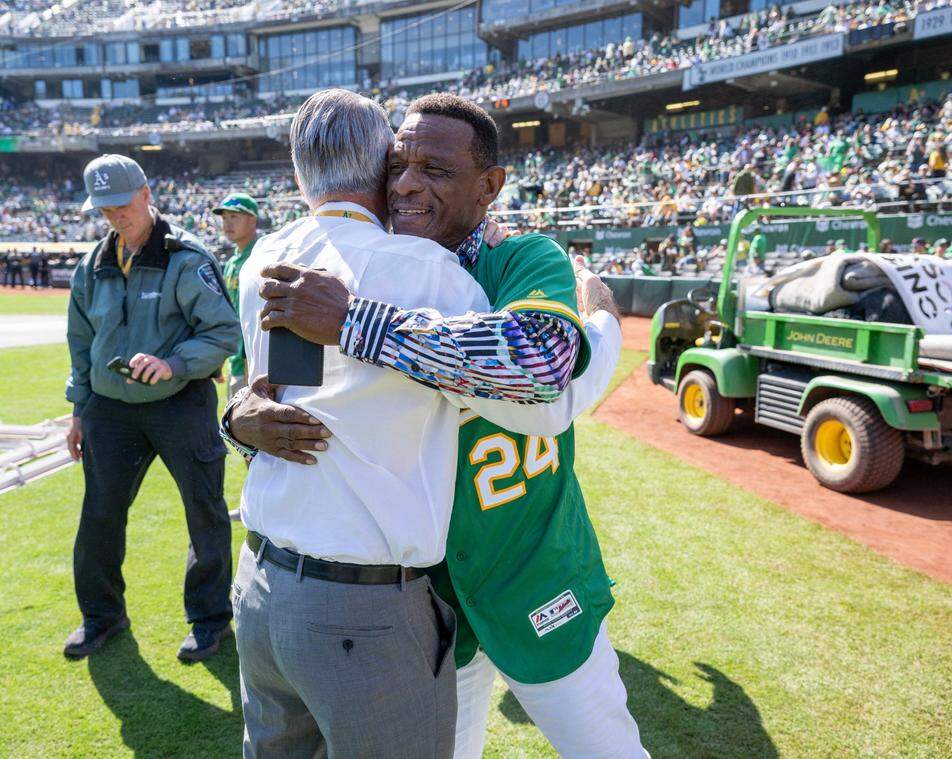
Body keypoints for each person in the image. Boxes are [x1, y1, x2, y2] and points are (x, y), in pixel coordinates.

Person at [230, 93, 645, 759]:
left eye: (437, 170)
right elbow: (283, 386)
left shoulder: (522, 258)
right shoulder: (369, 259)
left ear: (490, 187)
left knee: (604, 747)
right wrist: (237, 415)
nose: (407, 184)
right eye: (396, 165)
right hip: (427, 602)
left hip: (529, 572)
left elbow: (544, 380)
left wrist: (355, 322)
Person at [229, 89, 492, 759]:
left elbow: (282, 384)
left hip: (261, 585)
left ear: (297, 175)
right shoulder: (433, 272)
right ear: (383, 168)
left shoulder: (261, 257)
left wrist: (234, 413)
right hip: (365, 606)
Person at [62, 154, 241, 662]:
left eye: (122, 204)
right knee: (99, 514)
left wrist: (173, 362)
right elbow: (80, 340)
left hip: (179, 402)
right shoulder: (92, 264)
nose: (116, 217)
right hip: (108, 408)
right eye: (104, 209)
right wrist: (79, 407)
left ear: (145, 193)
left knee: (203, 512)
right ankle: (102, 615)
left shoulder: (186, 258)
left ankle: (209, 621)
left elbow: (224, 333)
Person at [211, 192, 259, 399]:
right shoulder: (231, 264)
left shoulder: (262, 256)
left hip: (255, 360)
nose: (227, 224)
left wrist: (253, 357)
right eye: (224, 218)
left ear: (252, 220)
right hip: (236, 357)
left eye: (235, 217)